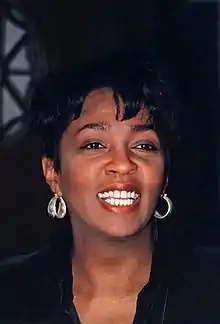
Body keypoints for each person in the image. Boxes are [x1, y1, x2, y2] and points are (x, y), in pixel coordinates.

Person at [0, 54, 219, 324]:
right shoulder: (9, 297)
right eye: (94, 145)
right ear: (53, 172)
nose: (123, 164)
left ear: (165, 172)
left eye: (143, 145)